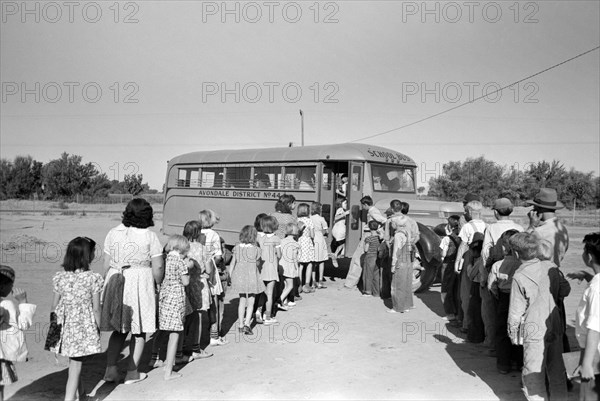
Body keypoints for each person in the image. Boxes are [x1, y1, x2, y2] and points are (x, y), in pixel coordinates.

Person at [101, 198, 164, 385]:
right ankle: (132, 372)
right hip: (139, 282)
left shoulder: (113, 233)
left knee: (119, 329)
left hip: (116, 278)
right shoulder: (149, 236)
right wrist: (158, 284)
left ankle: (110, 370)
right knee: (139, 329)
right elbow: (158, 266)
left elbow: (106, 263)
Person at [508, 232, 567, 401]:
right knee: (557, 371)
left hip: (533, 328)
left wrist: (513, 334)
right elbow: (565, 290)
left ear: (516, 253)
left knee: (533, 374)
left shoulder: (520, 276)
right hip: (554, 324)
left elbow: (515, 311)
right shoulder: (552, 268)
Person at [51, 237, 103, 400]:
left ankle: (81, 395)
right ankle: (69, 398)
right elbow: (96, 308)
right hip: (82, 327)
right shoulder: (92, 278)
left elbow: (54, 306)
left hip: (63, 325)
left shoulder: (60, 277)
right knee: (75, 365)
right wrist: (98, 329)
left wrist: (54, 335)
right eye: (93, 251)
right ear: (87, 255)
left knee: (74, 362)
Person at [480, 198, 524, 355]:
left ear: (495, 212)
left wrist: (485, 274)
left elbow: (486, 252)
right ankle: (515, 350)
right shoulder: (519, 227)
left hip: (497, 271)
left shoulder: (491, 228)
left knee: (493, 312)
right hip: (517, 273)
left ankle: (493, 346)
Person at [568, 232, 600, 400]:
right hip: (594, 351)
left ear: (588, 256)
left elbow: (595, 327)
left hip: (595, 354)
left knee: (589, 396)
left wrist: (586, 364)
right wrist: (587, 276)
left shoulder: (597, 289)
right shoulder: (597, 282)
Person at [487, 229, 522, 374]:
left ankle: (503, 364)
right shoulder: (522, 264)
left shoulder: (498, 265)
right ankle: (519, 362)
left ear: (505, 246)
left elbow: (491, 286)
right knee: (519, 330)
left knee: (502, 331)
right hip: (520, 300)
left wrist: (498, 296)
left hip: (503, 298)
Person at [0, 265, 35, 401]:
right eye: (11, 284)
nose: (12, 288)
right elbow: (23, 324)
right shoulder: (7, 305)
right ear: (3, 286)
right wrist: (23, 301)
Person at [159, 235, 191, 381]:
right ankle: (169, 371)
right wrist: (188, 269)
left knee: (166, 329)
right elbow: (185, 282)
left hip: (165, 295)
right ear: (180, 249)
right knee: (175, 333)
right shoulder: (180, 261)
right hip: (176, 295)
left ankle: (165, 361)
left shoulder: (166, 259)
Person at [454, 200, 487, 333]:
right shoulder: (486, 225)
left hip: (470, 257)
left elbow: (463, 245)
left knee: (466, 292)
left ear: (469, 212)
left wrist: (457, 262)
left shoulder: (467, 227)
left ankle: (467, 324)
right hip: (483, 259)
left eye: (465, 211)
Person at [229, 225, 263, 335]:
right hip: (252, 277)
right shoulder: (256, 250)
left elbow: (232, 263)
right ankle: (247, 324)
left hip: (239, 277)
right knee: (251, 301)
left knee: (242, 300)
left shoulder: (237, 248)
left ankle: (240, 324)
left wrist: (230, 275)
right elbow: (258, 263)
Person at [526, 188, 569, 268]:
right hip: (555, 272)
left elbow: (521, 246)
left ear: (538, 209)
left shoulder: (538, 231)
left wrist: (531, 226)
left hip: (540, 274)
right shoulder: (563, 229)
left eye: (534, 207)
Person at [257, 215, 282, 323]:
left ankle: (258, 310)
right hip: (271, 268)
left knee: (263, 293)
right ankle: (268, 317)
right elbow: (280, 255)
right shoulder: (276, 239)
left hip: (260, 268)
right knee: (270, 293)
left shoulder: (259, 238)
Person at [388, 216, 414, 313]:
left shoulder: (398, 235)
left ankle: (397, 307)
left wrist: (393, 265)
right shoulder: (407, 232)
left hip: (400, 261)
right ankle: (407, 306)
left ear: (396, 224)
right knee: (406, 284)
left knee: (397, 285)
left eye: (392, 223)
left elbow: (396, 251)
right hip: (407, 261)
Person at [210, 236, 232, 346]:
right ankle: (216, 333)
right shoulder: (219, 257)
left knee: (212, 308)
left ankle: (214, 331)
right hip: (220, 279)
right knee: (219, 307)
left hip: (212, 279)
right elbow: (225, 259)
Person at [439, 215, 461, 322]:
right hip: (459, 265)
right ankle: (458, 313)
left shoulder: (447, 239)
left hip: (448, 265)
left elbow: (443, 253)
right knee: (457, 288)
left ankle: (450, 313)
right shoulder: (462, 238)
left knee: (446, 288)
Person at [279, 223, 301, 309]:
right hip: (289, 266)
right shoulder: (295, 244)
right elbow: (295, 258)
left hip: (281, 265)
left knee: (285, 285)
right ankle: (279, 301)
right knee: (290, 286)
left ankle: (284, 302)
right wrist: (297, 269)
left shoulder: (282, 241)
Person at [297, 203, 315, 294]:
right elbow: (312, 235)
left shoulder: (297, 220)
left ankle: (299, 284)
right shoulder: (309, 221)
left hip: (299, 241)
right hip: (307, 243)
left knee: (300, 264)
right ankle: (307, 284)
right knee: (309, 263)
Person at [310, 202, 329, 289]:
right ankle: (320, 281)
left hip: (312, 239)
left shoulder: (309, 218)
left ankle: (313, 280)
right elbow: (326, 230)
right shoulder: (321, 219)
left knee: (313, 261)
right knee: (321, 261)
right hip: (320, 239)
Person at [362, 220, 382, 297]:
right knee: (376, 275)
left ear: (369, 228)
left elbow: (366, 249)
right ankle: (376, 292)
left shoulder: (368, 238)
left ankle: (368, 291)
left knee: (368, 274)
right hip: (377, 257)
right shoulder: (379, 238)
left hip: (370, 257)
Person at [331, 198, 349, 267]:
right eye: (345, 203)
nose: (346, 205)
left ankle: (339, 253)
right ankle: (336, 255)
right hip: (339, 230)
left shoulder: (342, 210)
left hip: (339, 230)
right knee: (342, 243)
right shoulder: (340, 210)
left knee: (343, 243)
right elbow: (336, 218)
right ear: (340, 204)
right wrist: (345, 213)